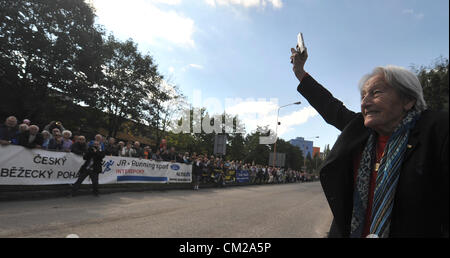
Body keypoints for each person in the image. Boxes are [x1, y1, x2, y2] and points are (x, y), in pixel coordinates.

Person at [291, 46, 448, 238]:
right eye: (363, 96)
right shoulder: (360, 130)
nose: (365, 103)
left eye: (376, 93)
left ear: (407, 100)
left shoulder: (438, 131)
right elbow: (330, 106)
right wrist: (300, 73)